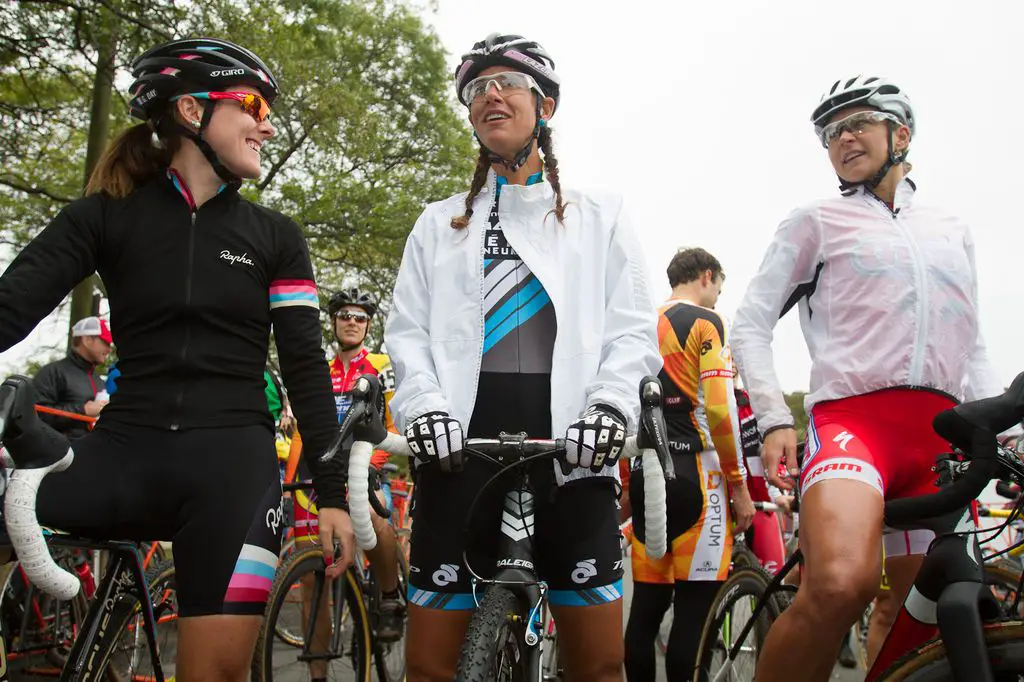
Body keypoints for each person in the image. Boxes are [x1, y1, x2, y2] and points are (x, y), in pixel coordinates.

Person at [0, 37, 350, 682]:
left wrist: (333, 496)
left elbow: (305, 369)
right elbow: (10, 308)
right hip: (123, 454)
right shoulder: (104, 216)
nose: (267, 123)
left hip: (233, 471)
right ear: (191, 110)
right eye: (252, 103)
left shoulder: (275, 237)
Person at [381, 33, 661, 682]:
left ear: (547, 105)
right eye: (477, 89)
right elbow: (407, 335)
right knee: (429, 667)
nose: (490, 96)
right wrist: (423, 408)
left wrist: (610, 409)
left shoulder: (602, 216)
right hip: (458, 447)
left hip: (574, 447)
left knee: (598, 665)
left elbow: (630, 333)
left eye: (506, 82)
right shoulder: (437, 222)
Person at [731, 75, 1014, 682]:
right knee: (840, 583)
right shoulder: (816, 220)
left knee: (917, 614)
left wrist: (1003, 429)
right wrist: (776, 417)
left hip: (944, 435)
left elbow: (975, 342)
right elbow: (750, 324)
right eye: (832, 131)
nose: (844, 136)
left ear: (901, 133)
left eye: (859, 122)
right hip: (853, 426)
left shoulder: (952, 228)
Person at [624, 247, 754, 682]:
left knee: (643, 616)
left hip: (646, 474)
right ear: (705, 276)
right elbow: (719, 412)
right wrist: (738, 484)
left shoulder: (641, 322)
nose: (717, 295)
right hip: (697, 477)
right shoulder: (707, 321)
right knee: (693, 620)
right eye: (718, 285)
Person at [291, 287, 405, 666]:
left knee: (372, 520)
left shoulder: (381, 366)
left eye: (359, 317)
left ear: (368, 325)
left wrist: (371, 463)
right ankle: (319, 674)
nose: (352, 322)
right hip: (321, 477)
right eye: (345, 316)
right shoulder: (320, 373)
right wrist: (289, 482)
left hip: (366, 469)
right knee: (311, 581)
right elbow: (301, 433)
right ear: (334, 322)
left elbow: (391, 424)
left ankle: (389, 594)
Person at [33, 316, 113, 438]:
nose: (109, 349)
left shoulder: (98, 380)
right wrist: (83, 410)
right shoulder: (52, 372)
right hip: (59, 454)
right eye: (105, 342)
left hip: (91, 452)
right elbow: (35, 415)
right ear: (87, 340)